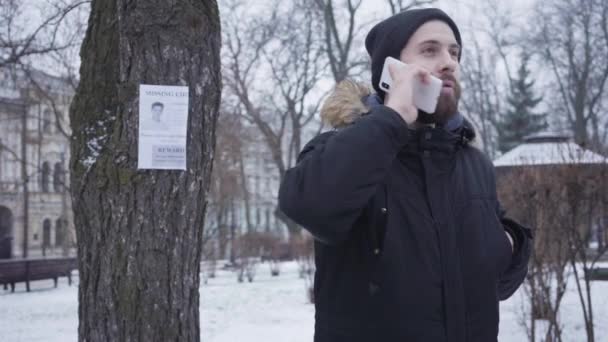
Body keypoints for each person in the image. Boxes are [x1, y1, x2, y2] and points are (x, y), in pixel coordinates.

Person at [278, 8, 532, 342]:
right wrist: (394, 115)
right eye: (430, 50)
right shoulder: (341, 150)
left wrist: (511, 242)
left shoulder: (473, 162)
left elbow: (497, 281)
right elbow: (308, 206)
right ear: (390, 71)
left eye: (454, 53)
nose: (449, 63)